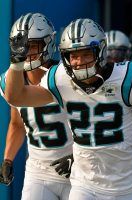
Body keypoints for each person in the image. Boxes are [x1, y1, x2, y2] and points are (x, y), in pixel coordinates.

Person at [4, 18, 132, 200]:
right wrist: (16, 63)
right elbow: (17, 97)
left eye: (86, 54)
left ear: (101, 51)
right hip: (84, 184)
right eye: (72, 56)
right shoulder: (60, 78)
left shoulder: (125, 79)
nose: (78, 62)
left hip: (126, 185)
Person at [0, 13, 73, 200]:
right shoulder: (9, 81)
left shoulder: (67, 76)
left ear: (48, 44)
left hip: (76, 170)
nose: (26, 52)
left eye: (32, 45)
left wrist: (79, 157)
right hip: (38, 171)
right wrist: (8, 159)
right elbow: (17, 124)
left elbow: (90, 121)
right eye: (21, 46)